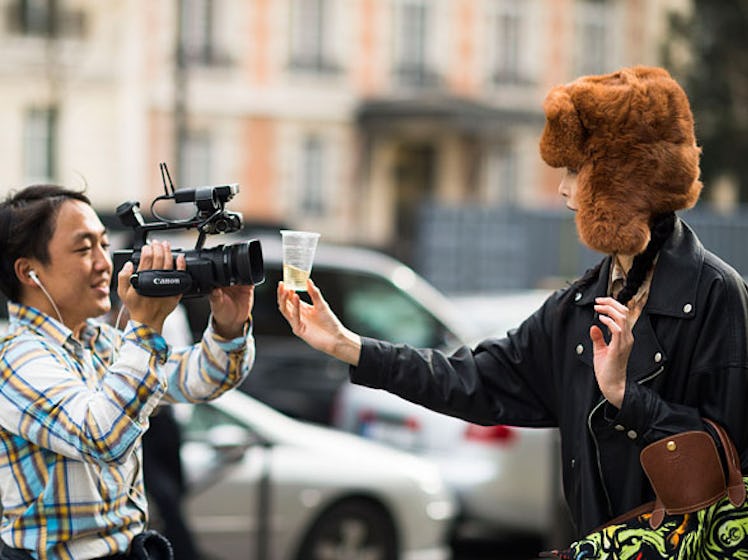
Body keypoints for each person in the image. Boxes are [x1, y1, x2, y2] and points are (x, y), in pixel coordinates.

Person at [278, 66, 748, 553]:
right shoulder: (578, 306)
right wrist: (349, 346)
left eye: (575, 171)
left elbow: (729, 466)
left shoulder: (716, 294)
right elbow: (475, 379)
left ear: (621, 179)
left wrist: (629, 399)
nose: (564, 191)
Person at [0, 185, 255, 559]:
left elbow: (202, 377)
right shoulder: (15, 359)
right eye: (84, 248)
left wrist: (229, 328)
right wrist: (146, 327)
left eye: (104, 244)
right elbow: (101, 437)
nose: (105, 262)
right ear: (29, 271)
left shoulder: (101, 342)